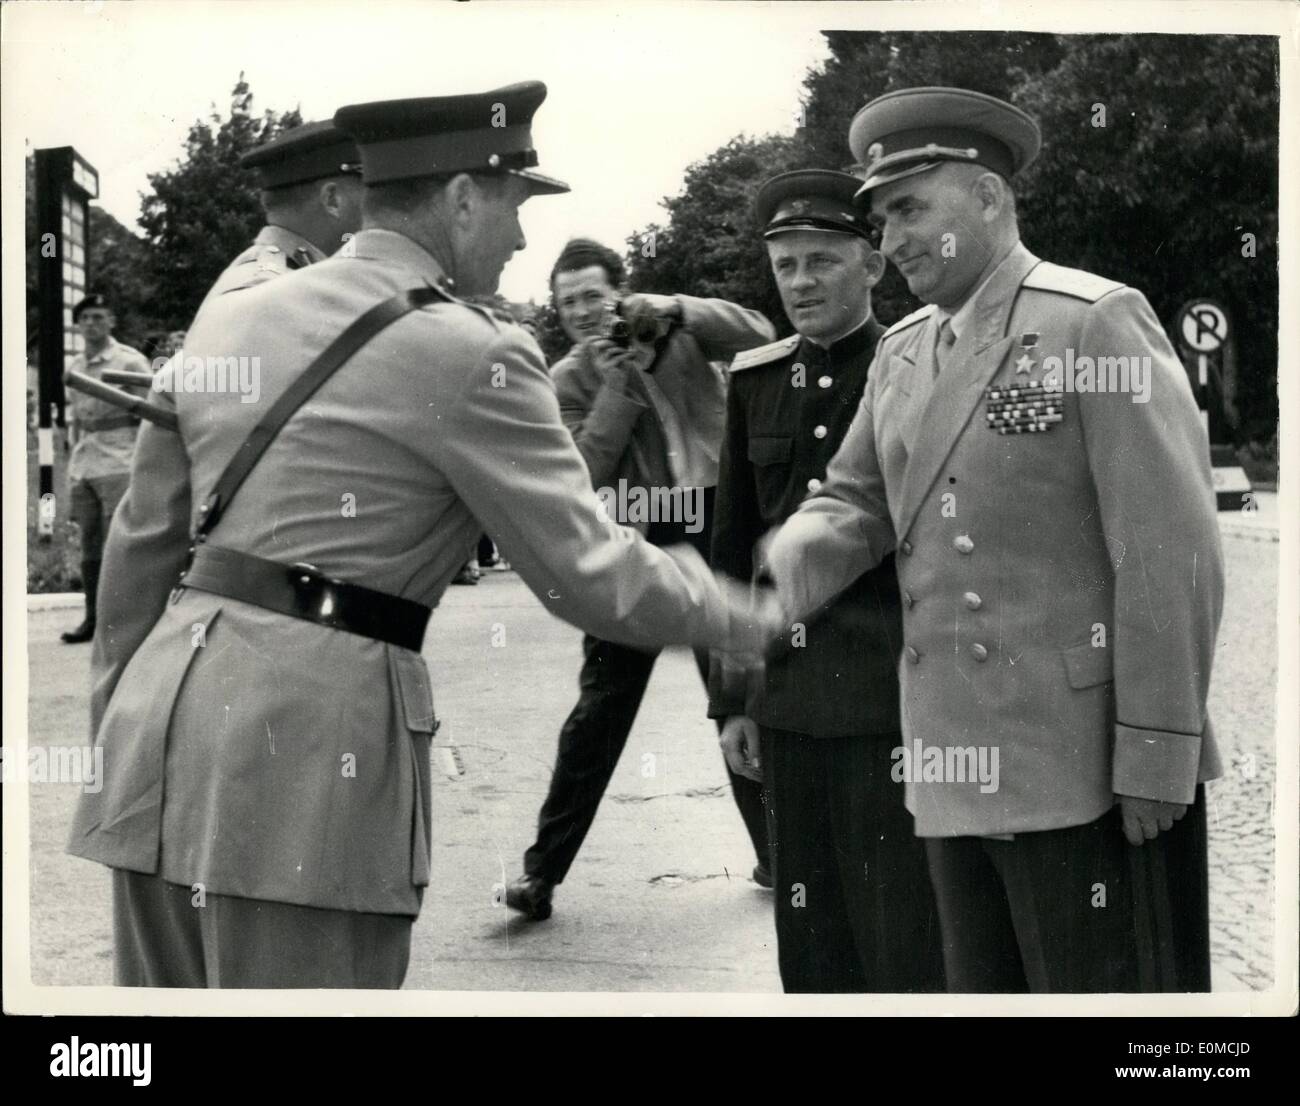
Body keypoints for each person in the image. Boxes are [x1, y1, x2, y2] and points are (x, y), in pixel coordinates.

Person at [67, 81, 776, 989]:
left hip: (155, 737)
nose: (522, 240)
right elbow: (586, 573)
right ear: (464, 197)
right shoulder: (471, 348)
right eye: (515, 208)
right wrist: (736, 611)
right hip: (303, 757)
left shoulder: (231, 315)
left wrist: (120, 729)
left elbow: (141, 546)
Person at [763, 87, 1224, 993]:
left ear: (987, 199)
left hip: (1082, 767)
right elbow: (856, 501)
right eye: (881, 217)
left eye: (907, 209)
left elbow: (1171, 553)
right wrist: (785, 565)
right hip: (949, 759)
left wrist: (1159, 753)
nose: (889, 242)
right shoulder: (903, 351)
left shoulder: (1091, 320)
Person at [711, 170, 945, 993]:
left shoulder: (918, 367)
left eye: (822, 262)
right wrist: (733, 700)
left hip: (889, 703)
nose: (801, 283)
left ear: (872, 266)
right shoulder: (754, 382)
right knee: (808, 944)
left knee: (901, 935)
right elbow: (732, 548)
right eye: (786, 266)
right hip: (788, 707)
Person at [503, 238, 776, 921]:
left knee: (739, 695)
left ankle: (781, 856)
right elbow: (582, 468)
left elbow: (762, 332)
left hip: (712, 522)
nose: (583, 312)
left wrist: (677, 307)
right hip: (634, 537)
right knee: (601, 708)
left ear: (622, 291)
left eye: (594, 295)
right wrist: (622, 383)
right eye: (567, 302)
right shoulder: (567, 378)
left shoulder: (682, 331)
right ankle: (541, 874)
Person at [59, 293, 151, 644]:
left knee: (120, 541)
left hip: (119, 459)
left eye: (99, 317)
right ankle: (93, 619)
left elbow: (150, 410)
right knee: (89, 542)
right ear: (77, 325)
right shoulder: (77, 366)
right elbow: (75, 418)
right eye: (85, 319)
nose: (92, 324)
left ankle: (123, 621)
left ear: (111, 321)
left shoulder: (128, 362)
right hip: (85, 463)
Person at [197, 119, 365, 308]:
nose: (373, 206)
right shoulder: (275, 292)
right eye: (369, 190)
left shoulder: (285, 279)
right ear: (332, 199)